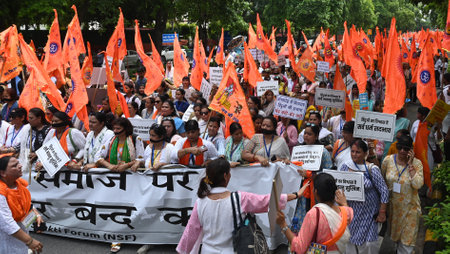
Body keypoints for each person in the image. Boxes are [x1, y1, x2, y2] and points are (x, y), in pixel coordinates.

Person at [176, 158, 309, 253]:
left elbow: (190, 232)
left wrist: (182, 251)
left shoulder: (200, 202)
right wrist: (296, 195)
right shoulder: (240, 198)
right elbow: (267, 200)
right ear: (226, 176)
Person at [276, 173, 353, 254]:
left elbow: (299, 247)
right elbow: (348, 213)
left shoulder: (315, 214)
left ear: (315, 192)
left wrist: (283, 225)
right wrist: (344, 204)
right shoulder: (346, 212)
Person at [339, 139, 389, 253]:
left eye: (358, 152)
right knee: (349, 241)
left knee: (369, 244)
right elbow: (340, 188)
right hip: (351, 214)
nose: (354, 154)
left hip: (369, 214)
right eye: (352, 151)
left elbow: (384, 191)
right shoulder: (345, 167)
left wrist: (382, 212)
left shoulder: (372, 169)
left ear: (365, 154)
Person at [381, 135, 423, 254]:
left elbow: (418, 184)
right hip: (394, 209)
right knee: (396, 240)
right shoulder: (388, 160)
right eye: (400, 147)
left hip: (410, 209)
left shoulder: (417, 164)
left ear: (411, 150)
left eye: (406, 148)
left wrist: (410, 165)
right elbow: (383, 182)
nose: (402, 151)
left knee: (406, 244)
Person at [0, 155, 44, 254]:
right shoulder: (1, 192)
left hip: (21, 233)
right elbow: (7, 223)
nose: (20, 166)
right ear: (2, 173)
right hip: (5, 238)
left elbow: (27, 204)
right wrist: (30, 241)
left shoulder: (20, 184)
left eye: (18, 163)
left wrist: (36, 215)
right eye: (14, 165)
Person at [293, 124, 333, 228]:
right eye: (305, 133)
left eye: (309, 134)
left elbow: (328, 172)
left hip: (317, 190)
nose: (306, 136)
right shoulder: (298, 150)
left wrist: (311, 175)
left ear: (316, 136)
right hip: (300, 188)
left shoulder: (323, 151)